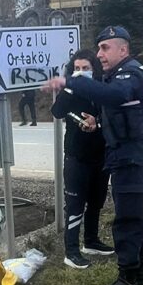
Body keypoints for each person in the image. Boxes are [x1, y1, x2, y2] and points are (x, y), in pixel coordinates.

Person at [42, 26, 143, 285]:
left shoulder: (131, 73)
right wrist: (100, 121)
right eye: (99, 48)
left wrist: (73, 80)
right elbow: (123, 112)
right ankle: (139, 275)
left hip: (132, 157)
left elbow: (116, 96)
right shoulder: (120, 74)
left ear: (123, 49)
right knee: (134, 215)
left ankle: (128, 280)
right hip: (128, 155)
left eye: (105, 48)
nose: (99, 54)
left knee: (128, 219)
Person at [51, 49, 114, 269]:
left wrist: (96, 120)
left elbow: (110, 113)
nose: (81, 72)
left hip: (100, 155)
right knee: (75, 205)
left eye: (85, 68)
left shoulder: (102, 89)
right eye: (77, 68)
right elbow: (57, 112)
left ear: (94, 69)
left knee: (96, 201)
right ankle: (71, 251)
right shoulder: (70, 91)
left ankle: (91, 241)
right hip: (76, 156)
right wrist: (69, 88)